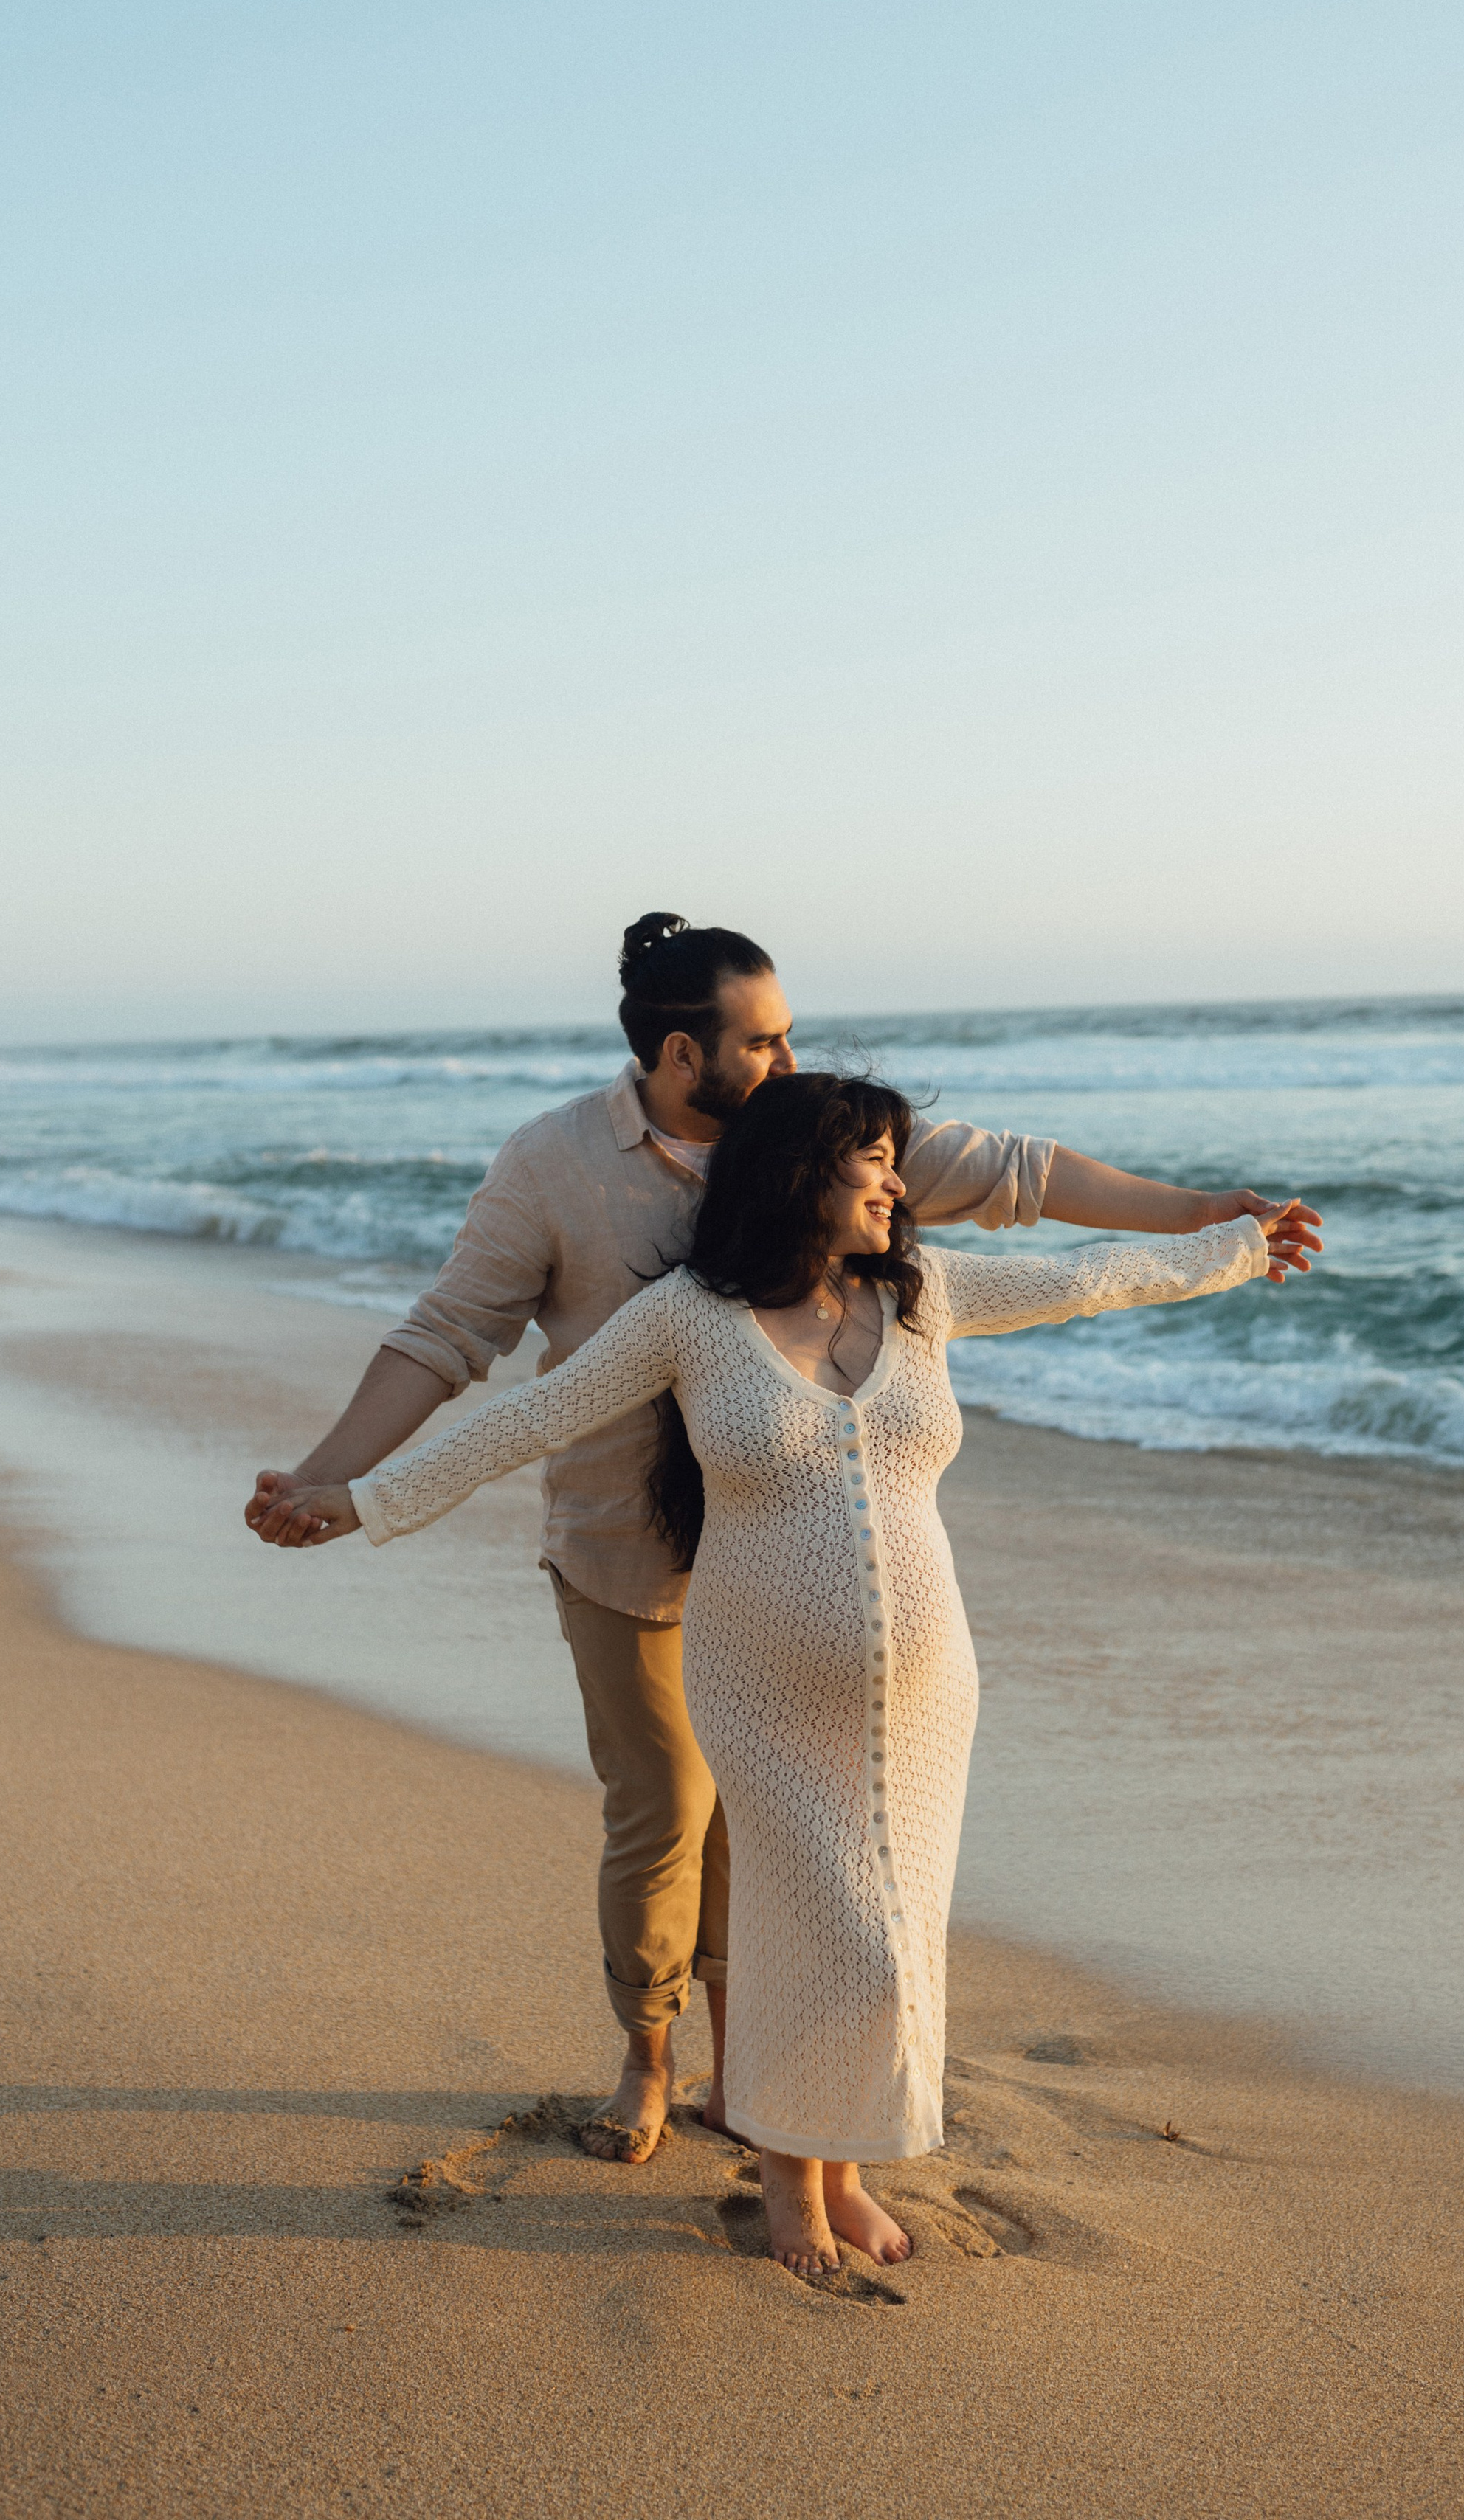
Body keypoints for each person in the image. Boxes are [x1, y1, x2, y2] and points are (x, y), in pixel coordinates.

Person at [246, 915, 1321, 2165]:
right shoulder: (554, 1170)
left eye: (792, 1033)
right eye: (764, 1039)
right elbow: (453, 1343)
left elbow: (1025, 1182)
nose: (790, 1056)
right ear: (680, 1054)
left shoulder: (819, 1135)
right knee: (667, 1817)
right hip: (628, 1549)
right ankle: (649, 2060)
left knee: (791, 1836)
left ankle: (752, 2074)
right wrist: (336, 1482)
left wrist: (1205, 1221)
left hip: (800, 1543)